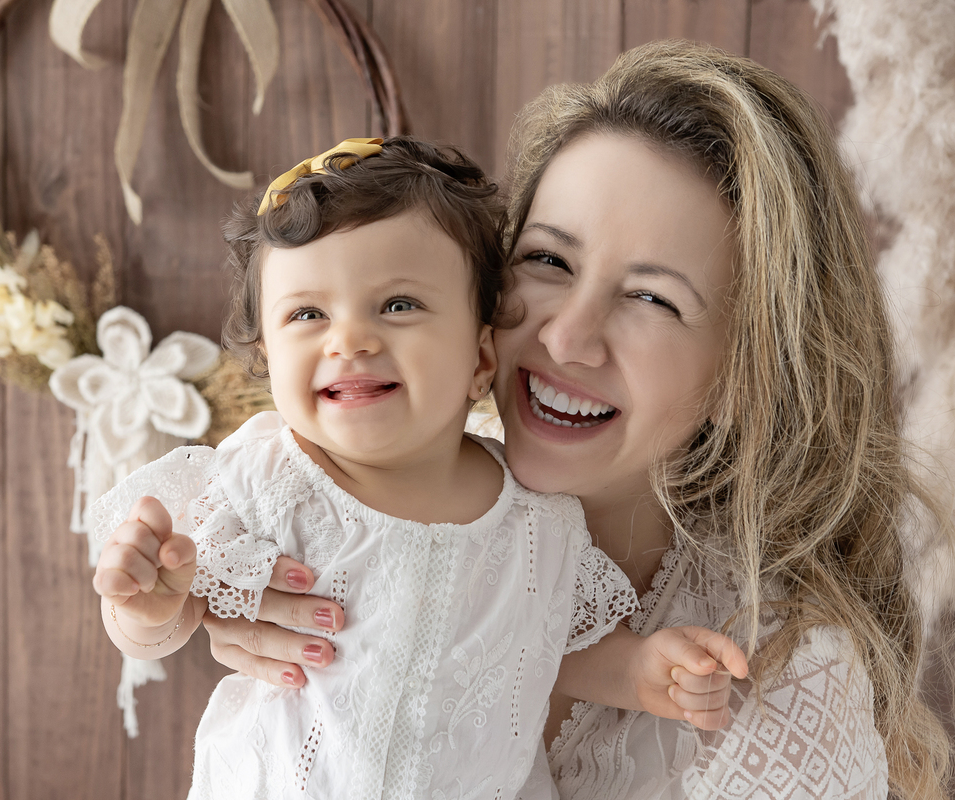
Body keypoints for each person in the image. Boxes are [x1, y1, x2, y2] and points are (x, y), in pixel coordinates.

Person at [201, 42, 953, 799]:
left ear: (746, 378)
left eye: (653, 299)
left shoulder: (783, 690)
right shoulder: (364, 497)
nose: (566, 338)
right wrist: (211, 598)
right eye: (549, 262)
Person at [89, 136, 749, 800]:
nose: (349, 340)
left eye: (399, 305)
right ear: (266, 358)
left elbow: (544, 647)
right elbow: (193, 605)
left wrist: (638, 671)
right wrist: (149, 610)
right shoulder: (265, 480)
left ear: (481, 359)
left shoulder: (537, 519)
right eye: (307, 314)